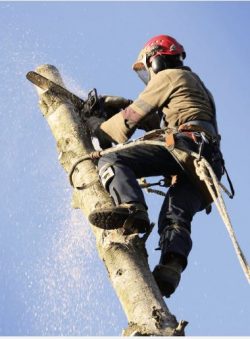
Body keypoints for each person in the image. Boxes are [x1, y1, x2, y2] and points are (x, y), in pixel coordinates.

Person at [88, 35, 224, 297]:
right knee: (175, 218)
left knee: (113, 159)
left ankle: (132, 208)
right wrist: (126, 106)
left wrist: (96, 125)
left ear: (156, 58)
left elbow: (129, 121)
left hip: (186, 146)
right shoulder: (196, 85)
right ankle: (170, 269)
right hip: (208, 164)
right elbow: (160, 119)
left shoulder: (168, 76)